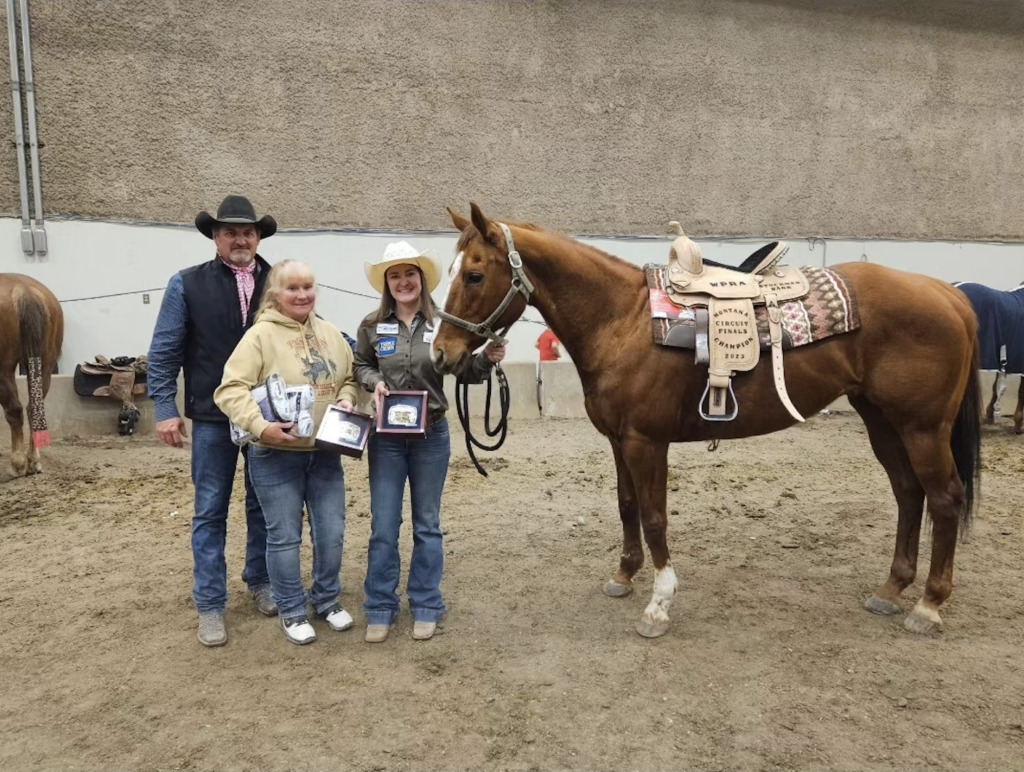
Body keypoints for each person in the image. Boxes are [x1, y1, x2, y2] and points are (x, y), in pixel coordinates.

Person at [354, 241, 506, 643]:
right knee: (384, 526)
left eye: (409, 274)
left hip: (431, 435)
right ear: (387, 283)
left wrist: (486, 361)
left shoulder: (443, 322)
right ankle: (380, 606)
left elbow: (464, 370)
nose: (403, 281)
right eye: (395, 275)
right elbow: (361, 364)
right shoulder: (371, 325)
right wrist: (375, 382)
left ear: (421, 279)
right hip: (386, 438)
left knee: (427, 525)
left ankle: (425, 603)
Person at [148, 194, 277, 648]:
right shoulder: (185, 284)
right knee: (209, 511)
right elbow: (163, 353)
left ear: (258, 237)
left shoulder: (280, 282)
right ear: (216, 238)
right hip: (211, 417)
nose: (241, 239)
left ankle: (259, 580)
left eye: (248, 232)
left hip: (266, 416)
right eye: (231, 232)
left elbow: (311, 332)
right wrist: (165, 410)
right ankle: (210, 603)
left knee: (263, 504)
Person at [215, 260, 359, 645]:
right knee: (284, 537)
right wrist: (261, 427)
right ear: (276, 295)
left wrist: (346, 399)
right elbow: (230, 389)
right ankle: (293, 609)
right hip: (275, 455)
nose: (302, 294)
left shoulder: (330, 332)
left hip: (325, 452)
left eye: (308, 286)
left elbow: (348, 378)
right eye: (293, 288)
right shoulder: (259, 337)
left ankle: (326, 600)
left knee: (332, 532)